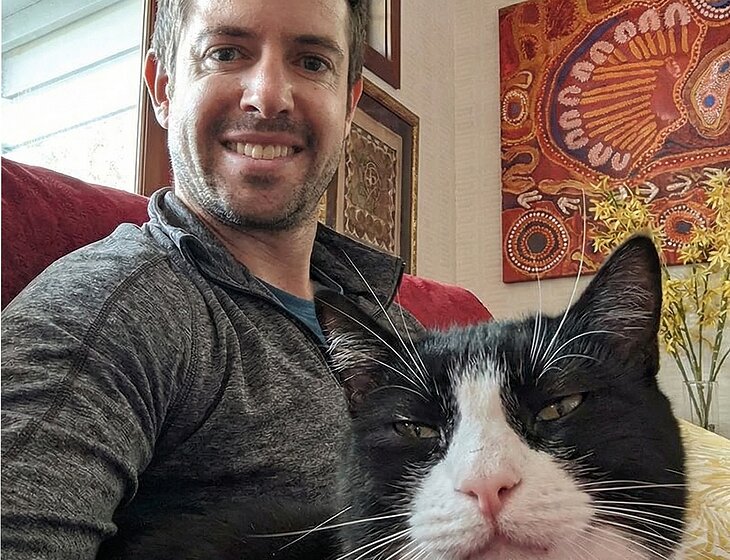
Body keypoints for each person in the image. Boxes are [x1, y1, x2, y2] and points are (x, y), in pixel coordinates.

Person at [1, 1, 419, 558]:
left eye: (312, 62)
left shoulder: (396, 324)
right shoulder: (109, 311)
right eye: (225, 53)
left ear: (348, 105)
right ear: (163, 86)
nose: (269, 96)